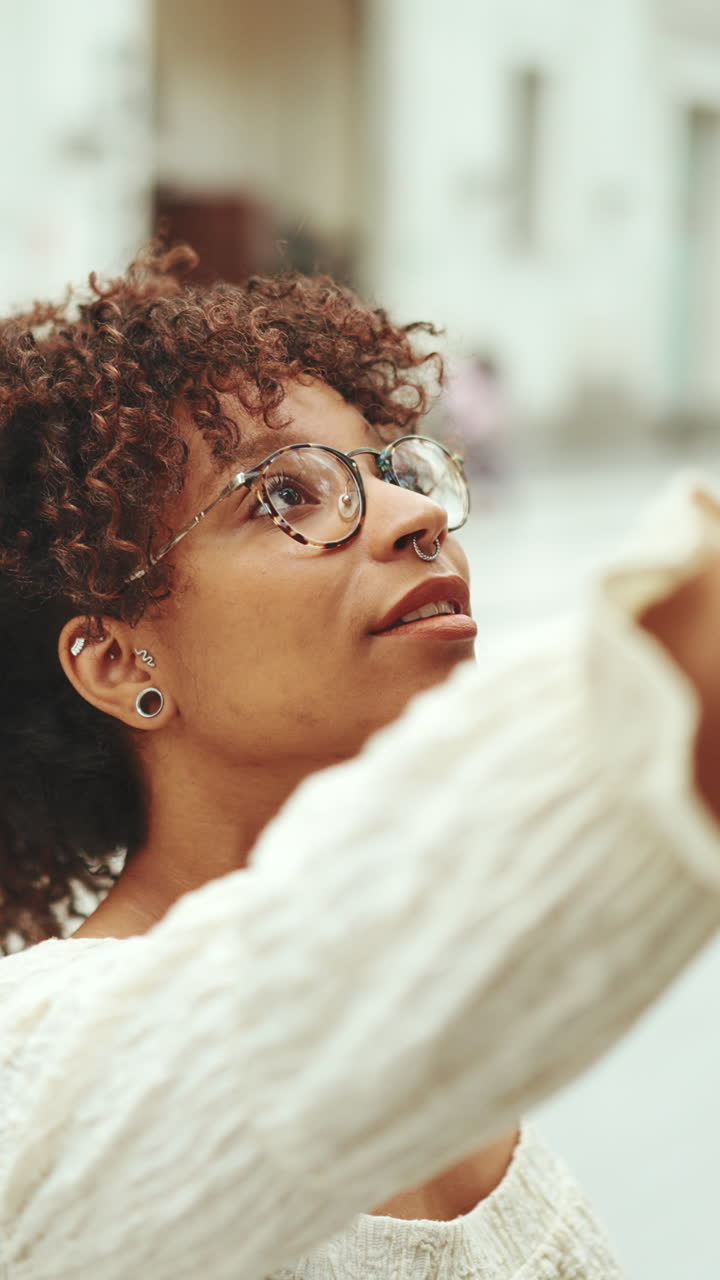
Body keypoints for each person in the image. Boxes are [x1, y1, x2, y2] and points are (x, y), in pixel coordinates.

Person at [1, 245, 720, 1280]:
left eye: (395, 468)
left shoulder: (442, 1046)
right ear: (117, 660)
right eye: (281, 496)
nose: (417, 516)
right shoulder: (35, 1081)